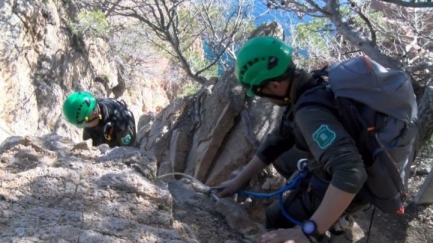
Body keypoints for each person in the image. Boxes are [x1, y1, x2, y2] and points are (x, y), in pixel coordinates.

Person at [216, 36, 372, 243]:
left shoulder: (308, 112)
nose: (264, 99)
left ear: (274, 86)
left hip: (352, 184)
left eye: (261, 93)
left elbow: (351, 172)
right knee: (282, 158)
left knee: (276, 217)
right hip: (353, 159)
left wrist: (307, 231)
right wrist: (238, 181)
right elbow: (277, 141)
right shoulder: (309, 84)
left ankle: (330, 219)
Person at [62, 91, 137, 148]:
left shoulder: (122, 123)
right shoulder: (91, 107)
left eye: (85, 123)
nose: (86, 126)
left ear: (95, 114)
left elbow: (129, 152)